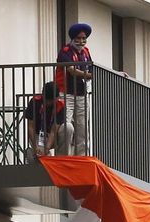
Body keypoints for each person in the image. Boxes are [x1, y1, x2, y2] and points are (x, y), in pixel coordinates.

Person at [55, 22, 92, 156]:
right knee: (66, 126)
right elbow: (71, 70)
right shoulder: (65, 51)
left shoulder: (86, 52)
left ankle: (82, 156)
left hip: (82, 94)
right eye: (79, 38)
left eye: (84, 39)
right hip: (66, 94)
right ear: (72, 38)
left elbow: (92, 68)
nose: (81, 41)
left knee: (83, 127)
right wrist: (88, 75)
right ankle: (64, 155)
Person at [24, 82, 70, 163]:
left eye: (51, 101)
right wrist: (35, 146)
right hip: (38, 135)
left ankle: (61, 159)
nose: (48, 103)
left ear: (57, 98)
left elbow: (53, 131)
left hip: (53, 136)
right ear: (42, 96)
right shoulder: (34, 102)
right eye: (47, 100)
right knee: (44, 160)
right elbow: (30, 126)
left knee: (68, 127)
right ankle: (33, 154)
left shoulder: (61, 105)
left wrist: (47, 147)